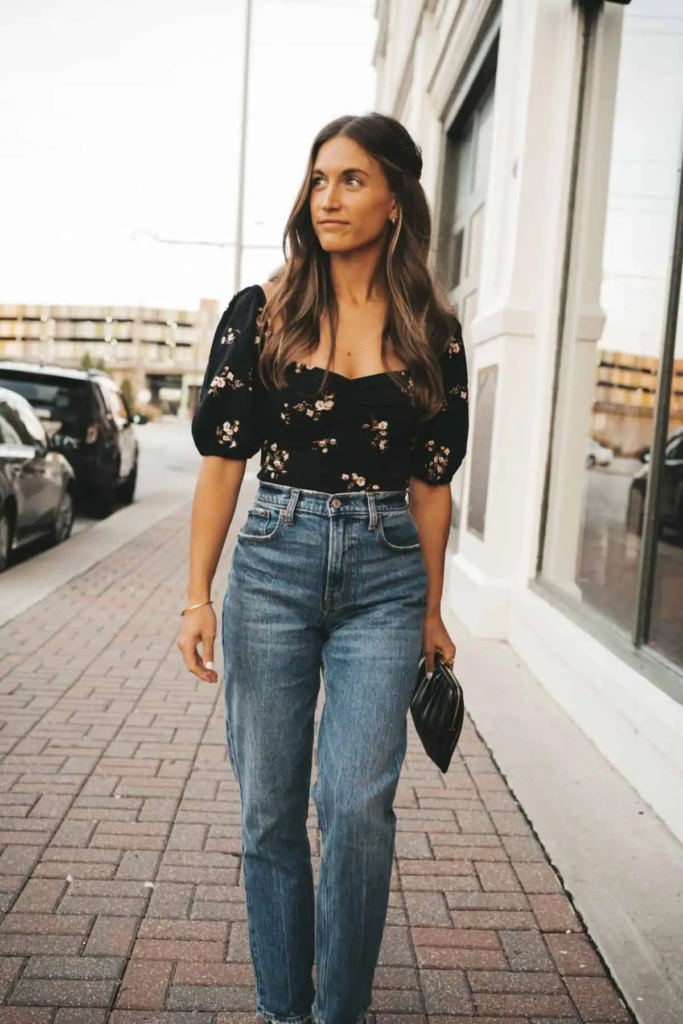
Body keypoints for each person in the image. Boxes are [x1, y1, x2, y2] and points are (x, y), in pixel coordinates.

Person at [177, 112, 469, 1024]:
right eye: (318, 180)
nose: (329, 198)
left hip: (386, 575)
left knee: (354, 809)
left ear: (393, 200)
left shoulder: (430, 325)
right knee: (268, 810)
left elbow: (431, 486)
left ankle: (337, 1013)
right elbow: (223, 460)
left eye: (351, 180)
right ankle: (283, 1012)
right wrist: (196, 596)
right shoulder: (261, 312)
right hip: (273, 566)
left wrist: (430, 609)